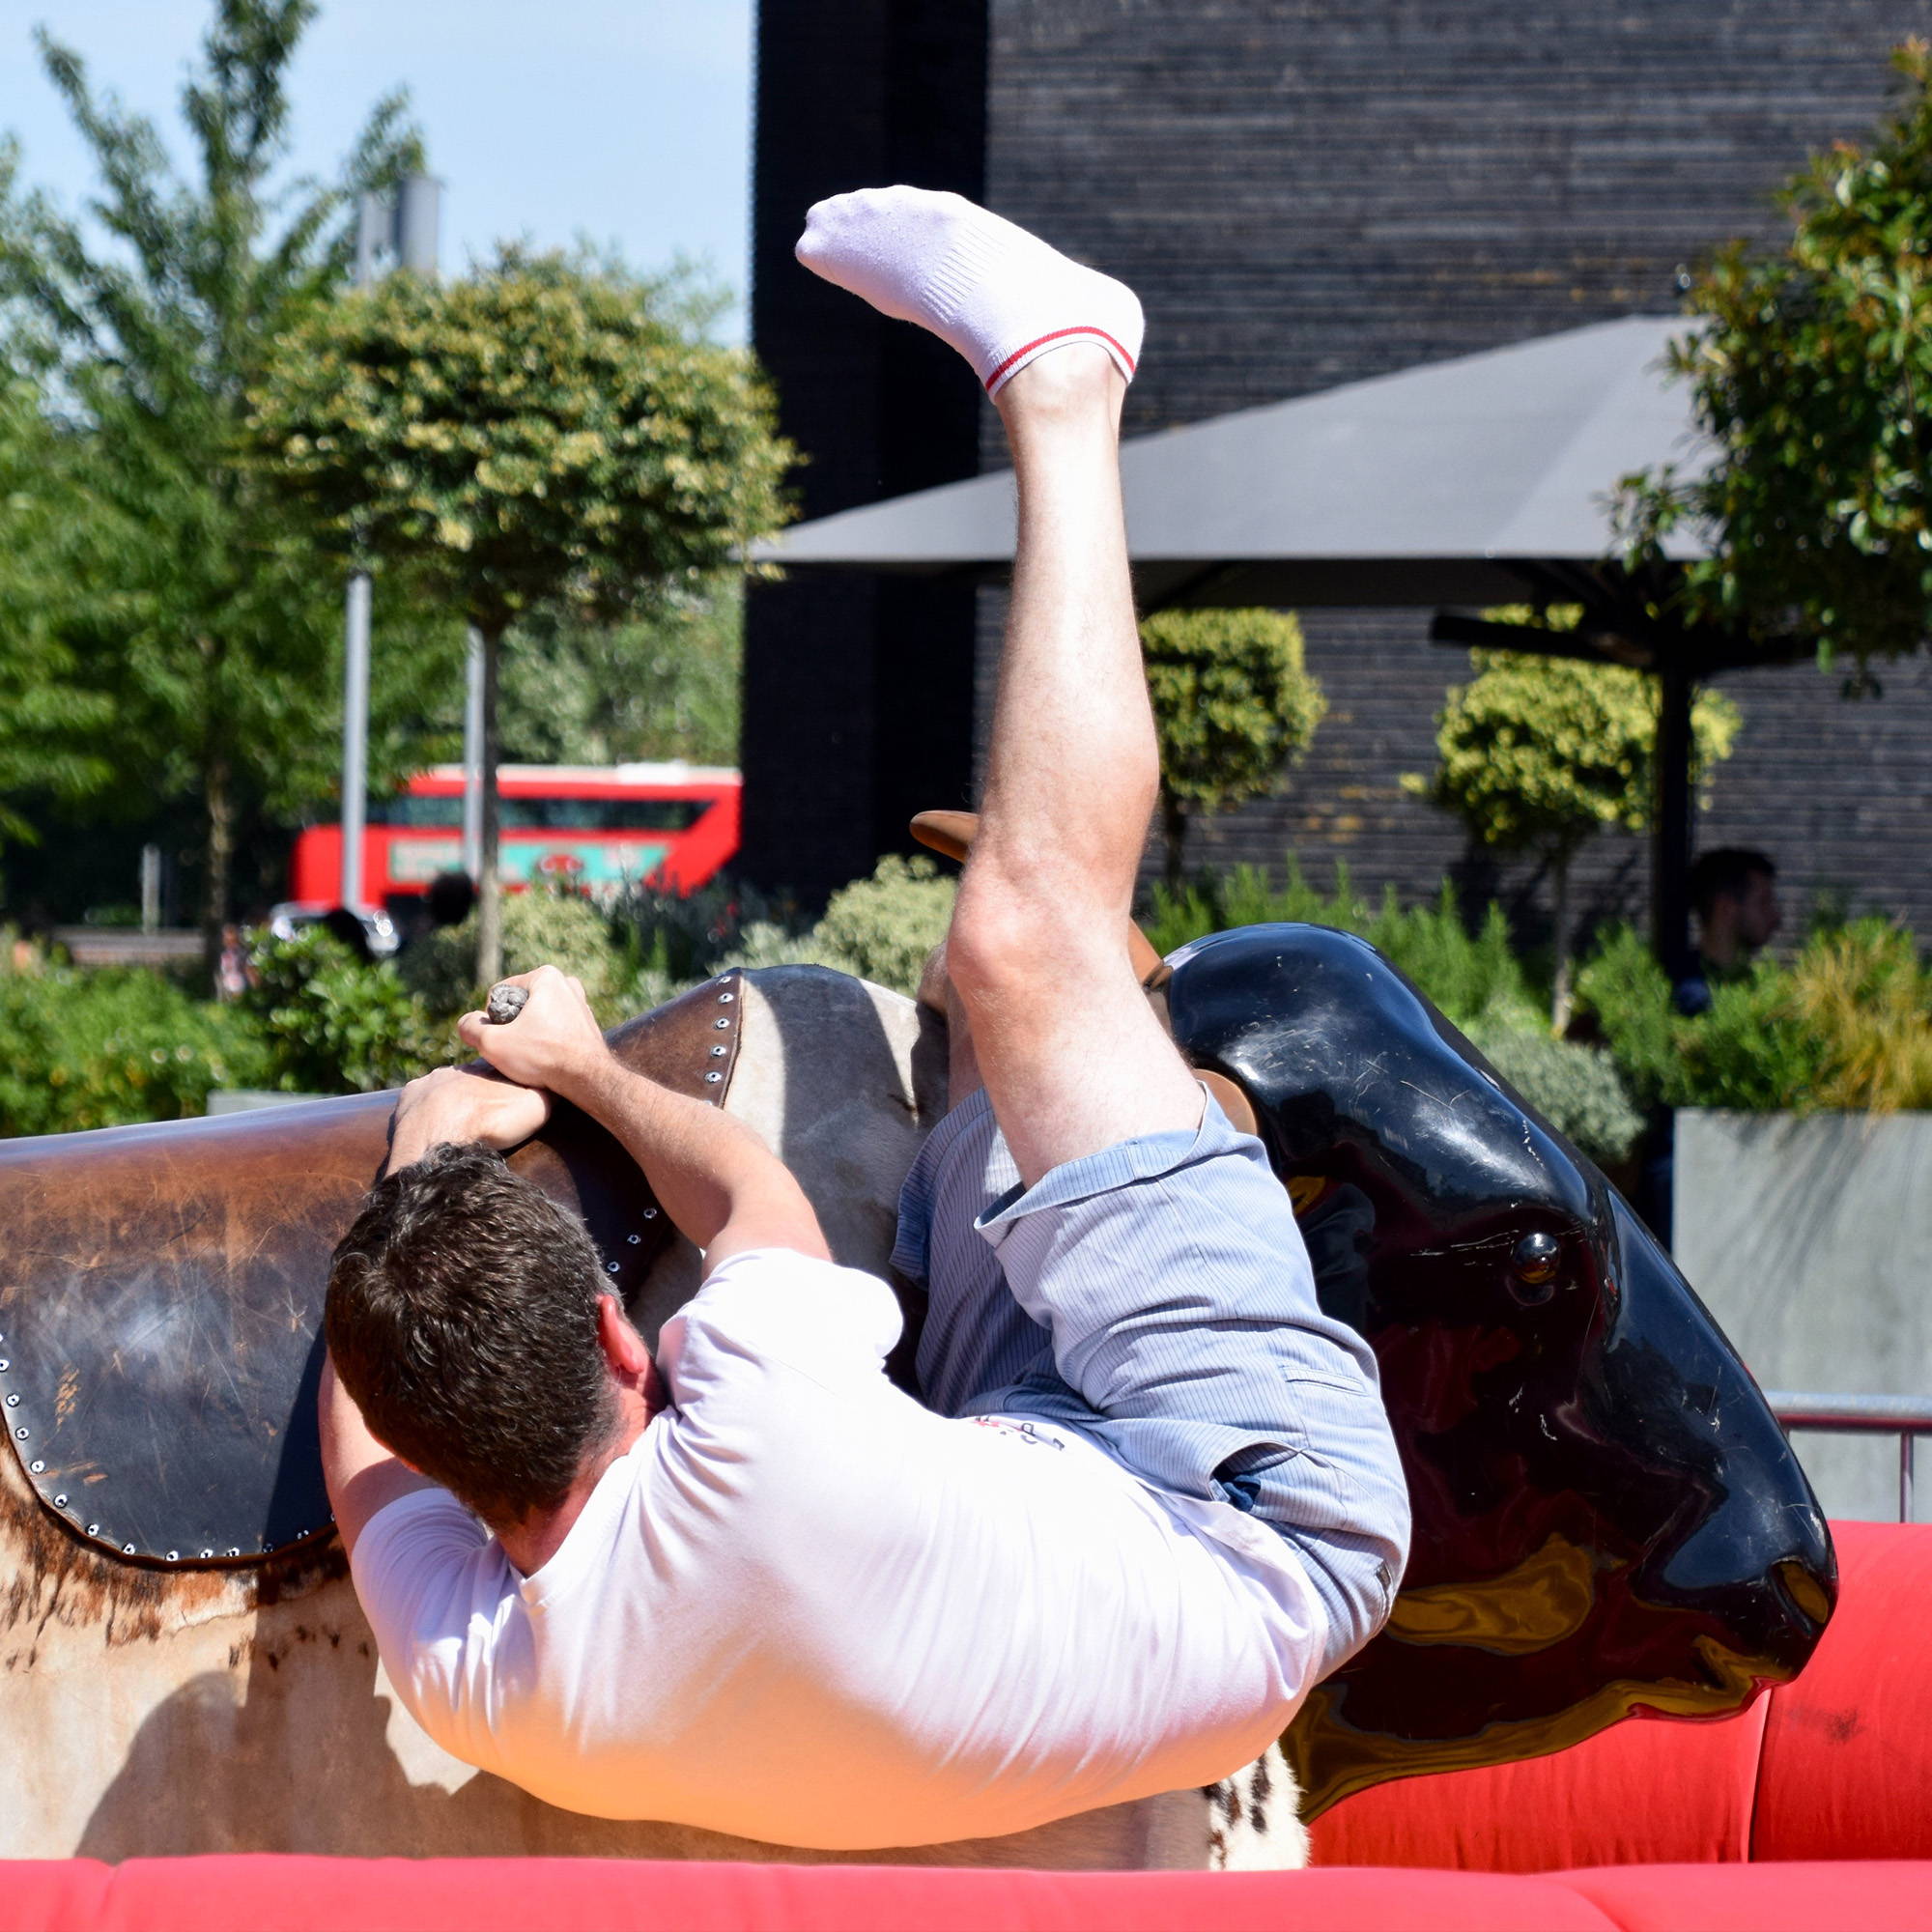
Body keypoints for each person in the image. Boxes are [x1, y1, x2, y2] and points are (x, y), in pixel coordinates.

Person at [318, 187, 1408, 1850]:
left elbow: (373, 1482)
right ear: (634, 1341)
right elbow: (751, 1202)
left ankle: (1093, 1066)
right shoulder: (740, 1407)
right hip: (1262, 1522)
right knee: (1015, 951)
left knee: (977, 1120)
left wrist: (398, 1207)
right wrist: (563, 1077)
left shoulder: (484, 1669)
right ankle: (1066, 374)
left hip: (1042, 1481)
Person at [1674, 848, 1781, 1016]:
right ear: (1726, 908)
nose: (1776, 917)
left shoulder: (1755, 982)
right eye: (1763, 902)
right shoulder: (1683, 988)